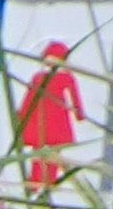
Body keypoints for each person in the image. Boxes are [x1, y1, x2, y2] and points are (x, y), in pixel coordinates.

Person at [11, 40, 84, 194]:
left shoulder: (66, 78)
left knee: (53, 152)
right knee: (38, 151)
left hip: (57, 120)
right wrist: (22, 114)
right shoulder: (38, 77)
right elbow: (30, 97)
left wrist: (79, 114)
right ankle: (36, 181)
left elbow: (74, 97)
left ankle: (49, 181)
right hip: (40, 119)